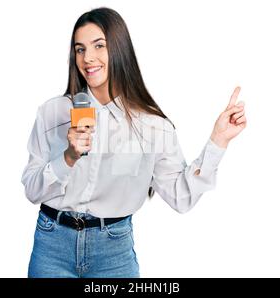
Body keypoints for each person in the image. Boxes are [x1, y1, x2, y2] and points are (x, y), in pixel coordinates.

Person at [21, 7, 247, 278]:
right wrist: (68, 157)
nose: (88, 58)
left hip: (112, 253)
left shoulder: (152, 127)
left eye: (99, 46)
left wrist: (217, 142)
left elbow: (181, 197)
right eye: (79, 49)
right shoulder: (52, 112)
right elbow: (32, 191)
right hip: (52, 245)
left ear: (119, 48)